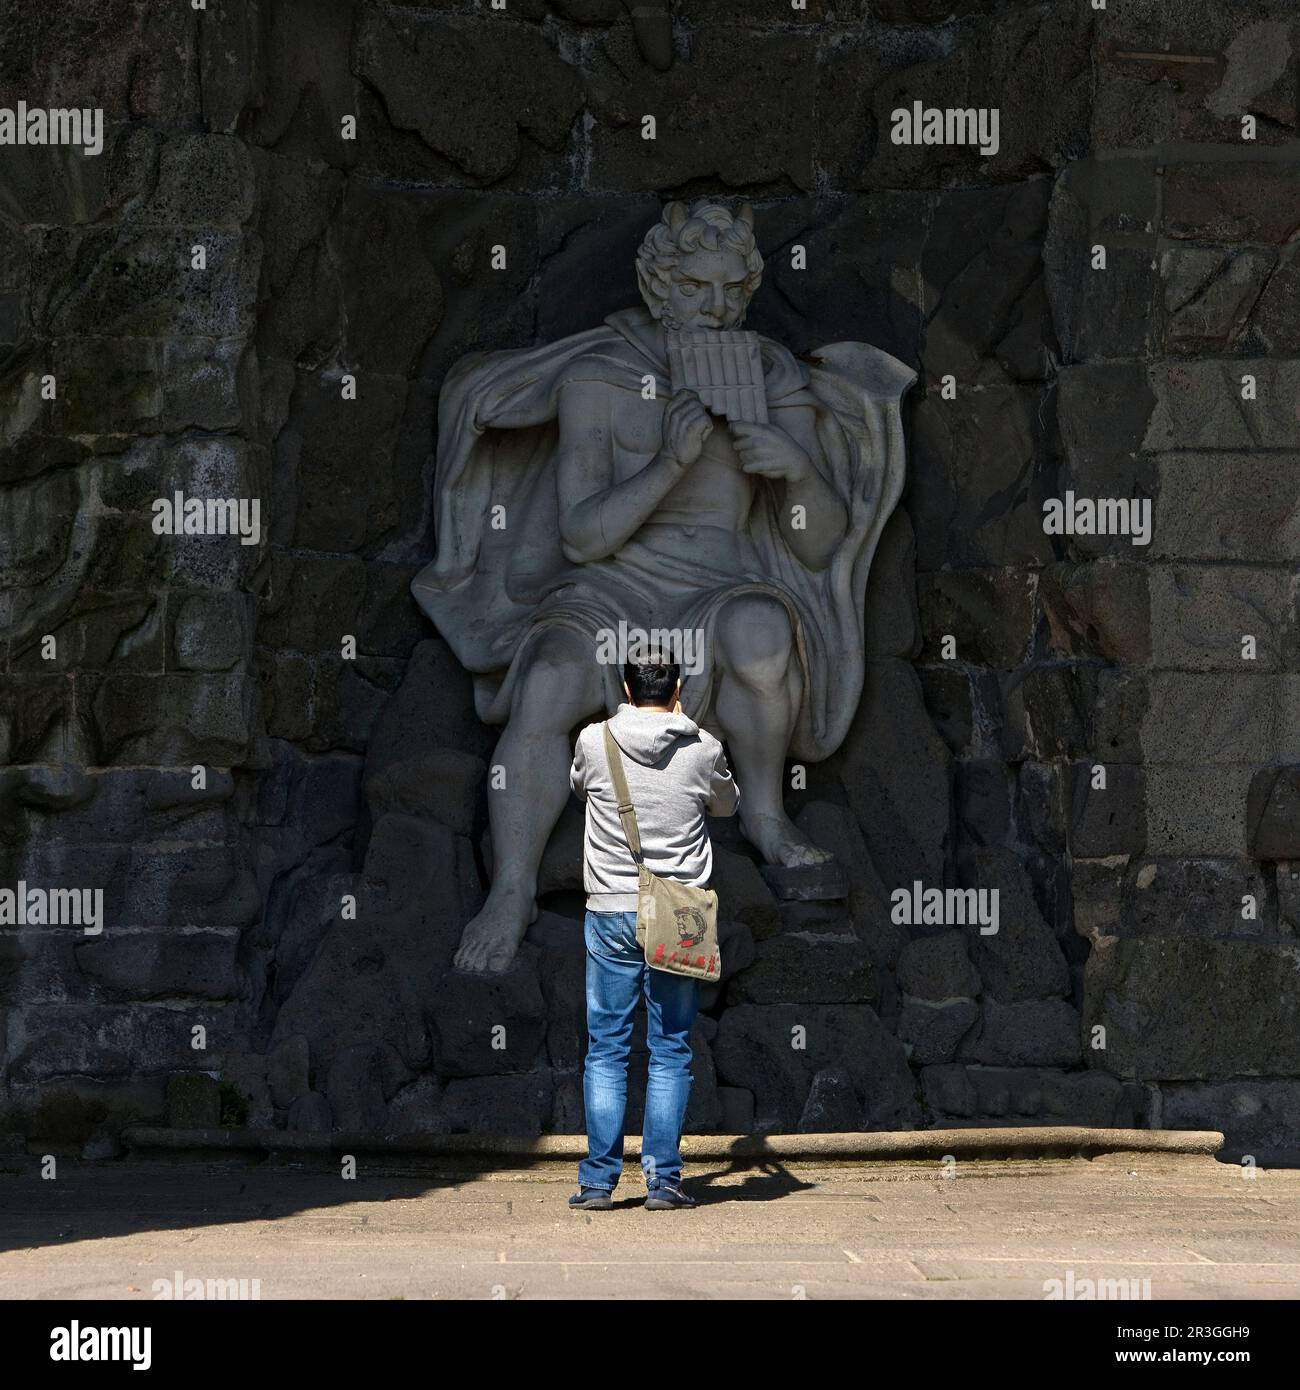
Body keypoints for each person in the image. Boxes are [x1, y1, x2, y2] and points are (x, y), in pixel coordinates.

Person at [567, 651, 740, 1211]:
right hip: (679, 916)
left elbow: (578, 786)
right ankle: (663, 1182)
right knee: (670, 1048)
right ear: (678, 687)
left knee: (607, 1048)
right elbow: (727, 804)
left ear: (623, 685)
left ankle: (598, 1181)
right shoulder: (703, 747)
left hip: (611, 909)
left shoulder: (595, 742)